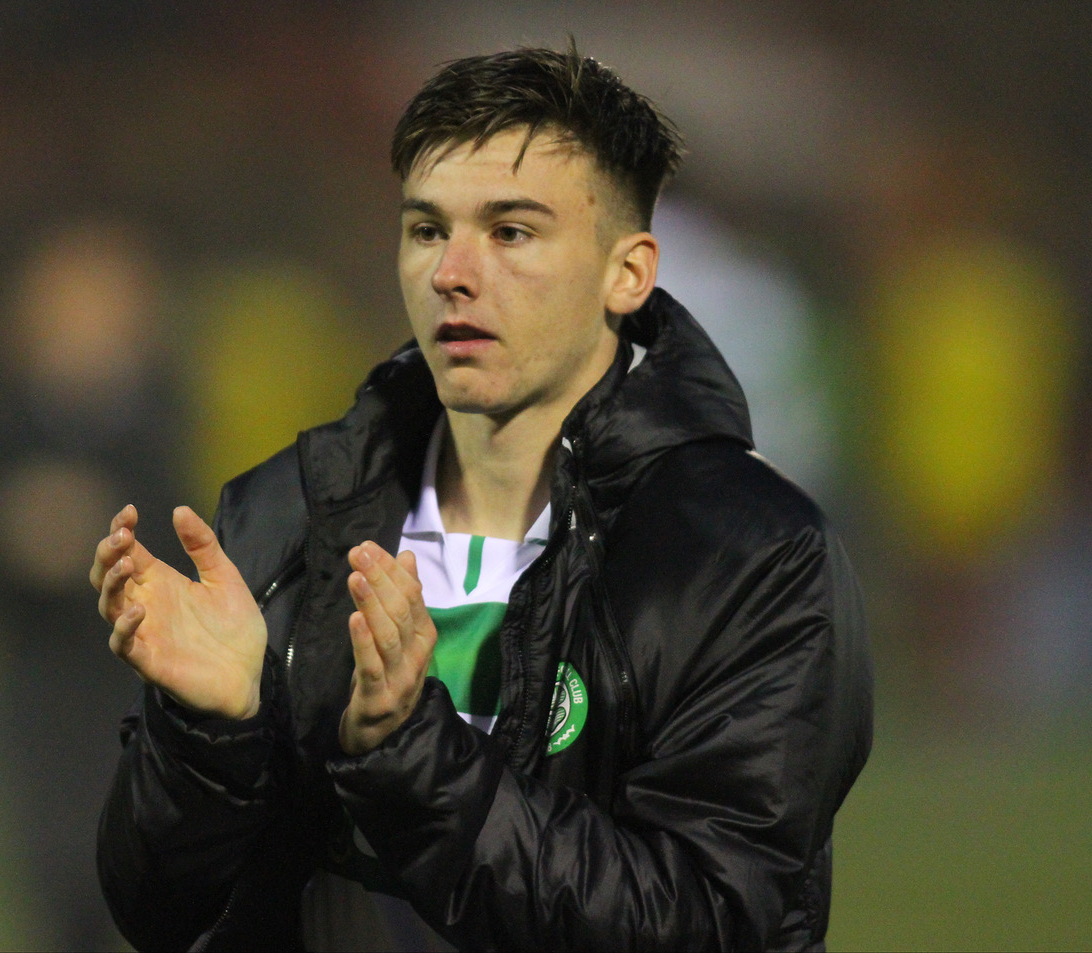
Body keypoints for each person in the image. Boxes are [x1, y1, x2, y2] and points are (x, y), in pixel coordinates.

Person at [92, 46, 872, 952]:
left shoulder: (747, 556)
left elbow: (701, 921)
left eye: (510, 232)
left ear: (629, 273)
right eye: (427, 230)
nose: (452, 273)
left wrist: (409, 750)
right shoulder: (288, 517)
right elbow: (158, 911)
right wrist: (208, 735)